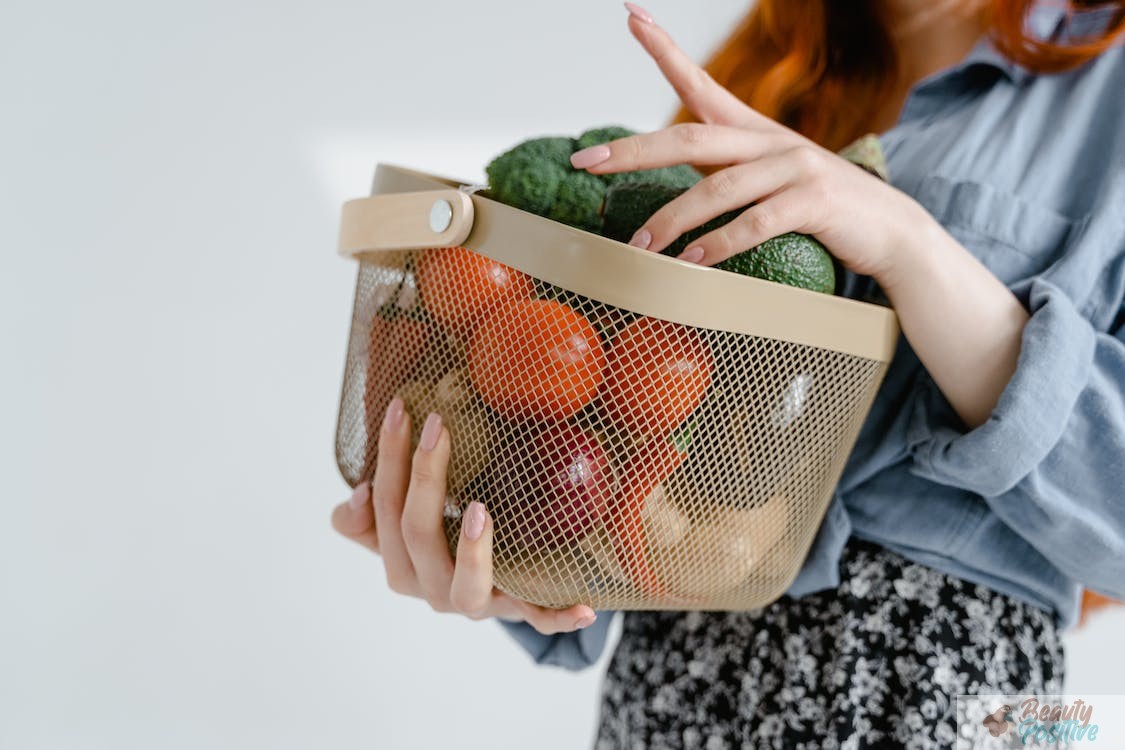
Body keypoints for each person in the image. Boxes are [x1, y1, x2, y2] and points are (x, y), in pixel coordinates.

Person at [331, 0, 1125, 746]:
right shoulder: (762, 82)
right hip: (672, 682)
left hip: (949, 687)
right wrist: (509, 561)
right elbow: (626, 429)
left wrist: (905, 241)